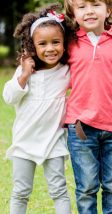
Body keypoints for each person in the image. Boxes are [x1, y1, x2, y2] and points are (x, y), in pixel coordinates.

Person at [2, 3, 74, 214]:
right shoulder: (25, 71)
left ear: (64, 43)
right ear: (32, 45)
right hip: (24, 142)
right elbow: (8, 97)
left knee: (59, 190)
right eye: (42, 44)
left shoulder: (67, 70)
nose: (50, 48)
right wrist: (24, 74)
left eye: (55, 42)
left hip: (53, 142)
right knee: (20, 191)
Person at [63, 0, 112, 213]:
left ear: (108, 10)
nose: (89, 11)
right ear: (73, 14)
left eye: (96, 5)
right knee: (87, 187)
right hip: (81, 127)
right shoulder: (69, 43)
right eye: (81, 7)